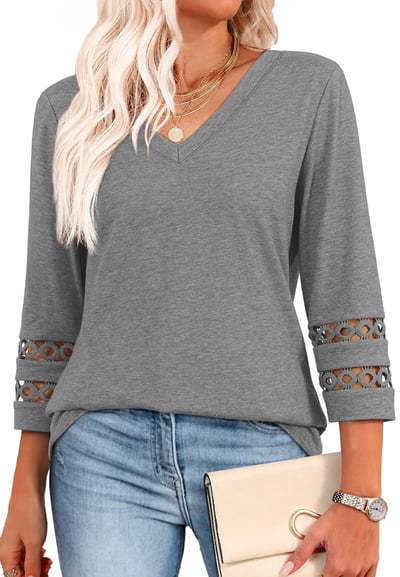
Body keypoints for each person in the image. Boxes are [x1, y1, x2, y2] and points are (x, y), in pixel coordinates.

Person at [0, 1, 395, 576]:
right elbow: (53, 314)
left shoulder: (307, 89)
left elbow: (345, 290)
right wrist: (24, 489)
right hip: (102, 453)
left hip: (262, 448)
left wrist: (361, 498)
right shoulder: (71, 109)